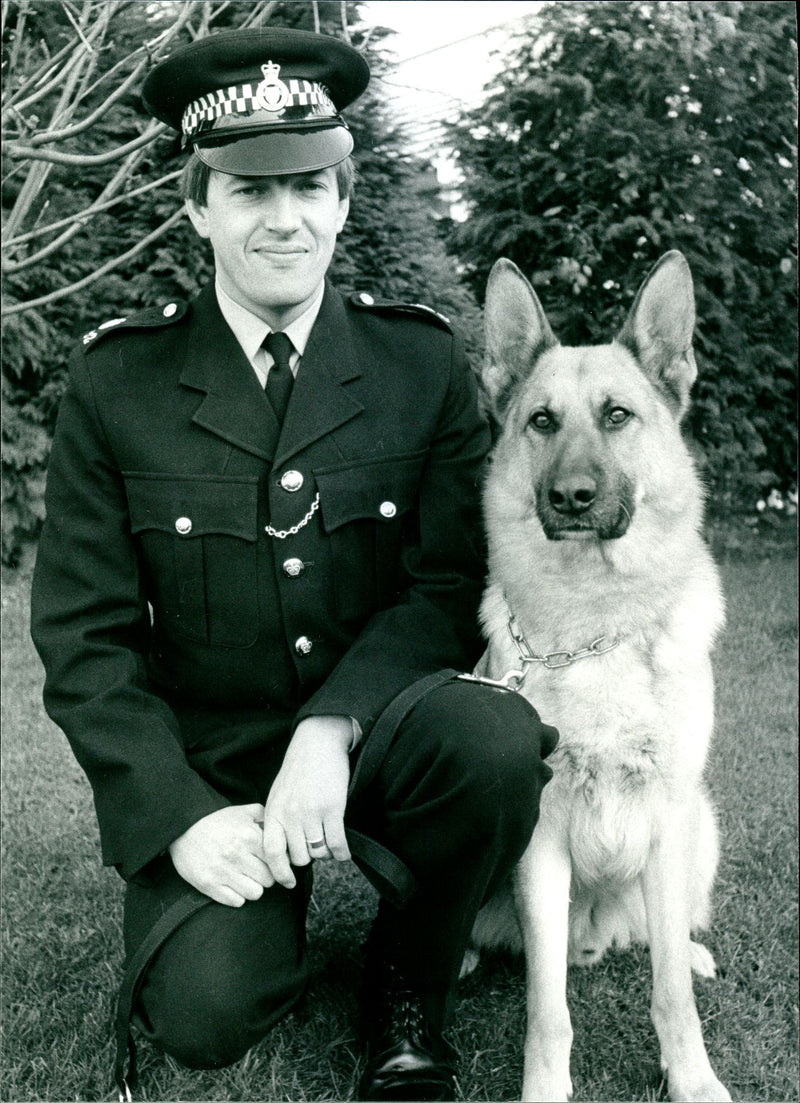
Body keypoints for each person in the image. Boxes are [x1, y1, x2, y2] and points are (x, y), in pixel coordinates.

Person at [30, 26, 557, 1103]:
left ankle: (406, 981)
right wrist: (175, 815)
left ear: (342, 200)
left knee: (492, 736)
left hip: (381, 738)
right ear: (197, 206)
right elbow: (84, 638)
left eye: (309, 186)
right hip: (218, 765)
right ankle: (245, 904)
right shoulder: (117, 383)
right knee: (199, 1013)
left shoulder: (416, 362)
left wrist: (335, 721)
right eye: (247, 190)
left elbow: (449, 581)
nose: (283, 218)